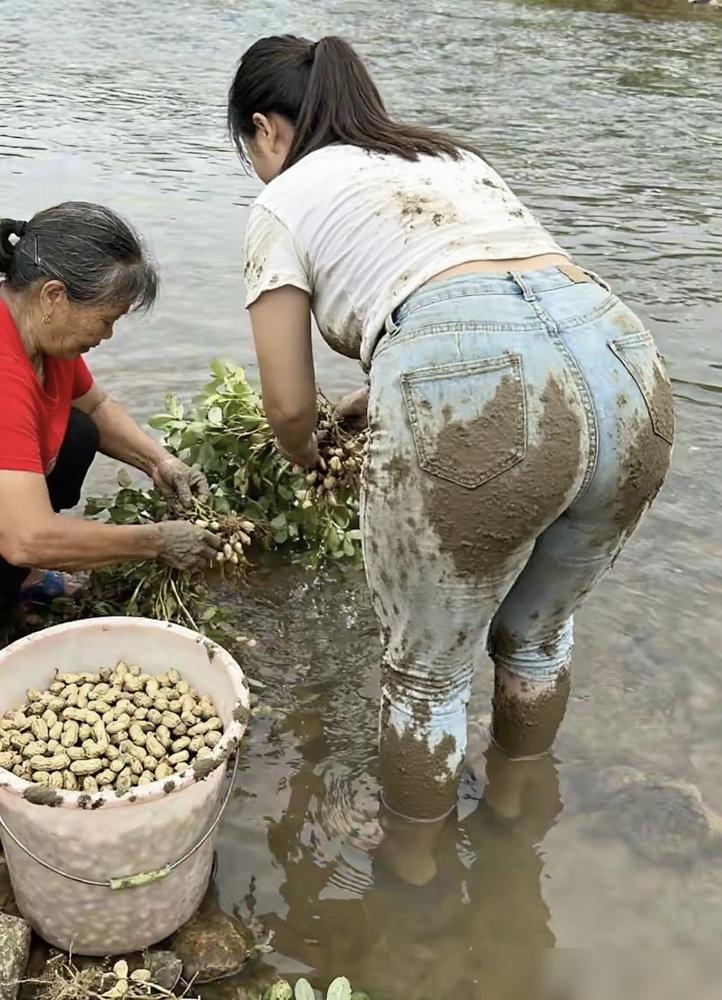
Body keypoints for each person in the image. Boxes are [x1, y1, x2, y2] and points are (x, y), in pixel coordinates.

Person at [227, 36, 674, 861]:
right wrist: (384, 395)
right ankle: (512, 823)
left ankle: (416, 886)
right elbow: (497, 296)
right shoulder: (449, 156)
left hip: (475, 400)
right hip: (627, 365)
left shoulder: (283, 199)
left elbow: (289, 407)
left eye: (248, 148)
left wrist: (313, 460)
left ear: (266, 129)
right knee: (539, 637)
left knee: (428, 677)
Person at [0, 202, 220, 614]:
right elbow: (25, 537)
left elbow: (98, 406)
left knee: (80, 431)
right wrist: (156, 542)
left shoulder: (44, 342)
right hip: (17, 536)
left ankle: (23, 580)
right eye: (106, 319)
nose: (109, 334)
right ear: (54, 296)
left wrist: (160, 463)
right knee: (26, 536)